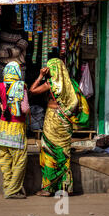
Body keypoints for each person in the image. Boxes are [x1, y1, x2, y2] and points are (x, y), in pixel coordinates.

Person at [0, 61, 30, 199]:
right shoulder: (22, 87)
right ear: (18, 72)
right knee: (20, 160)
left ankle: (8, 186)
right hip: (17, 128)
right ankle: (12, 190)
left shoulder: (0, 86)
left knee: (4, 159)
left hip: (2, 128)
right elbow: (25, 109)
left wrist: (1, 105)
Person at [29, 58, 78, 197]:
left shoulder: (51, 84)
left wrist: (40, 76)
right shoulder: (71, 84)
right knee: (64, 152)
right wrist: (66, 113)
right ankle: (65, 188)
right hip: (65, 122)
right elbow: (75, 103)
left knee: (49, 151)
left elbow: (32, 91)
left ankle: (48, 189)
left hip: (53, 120)